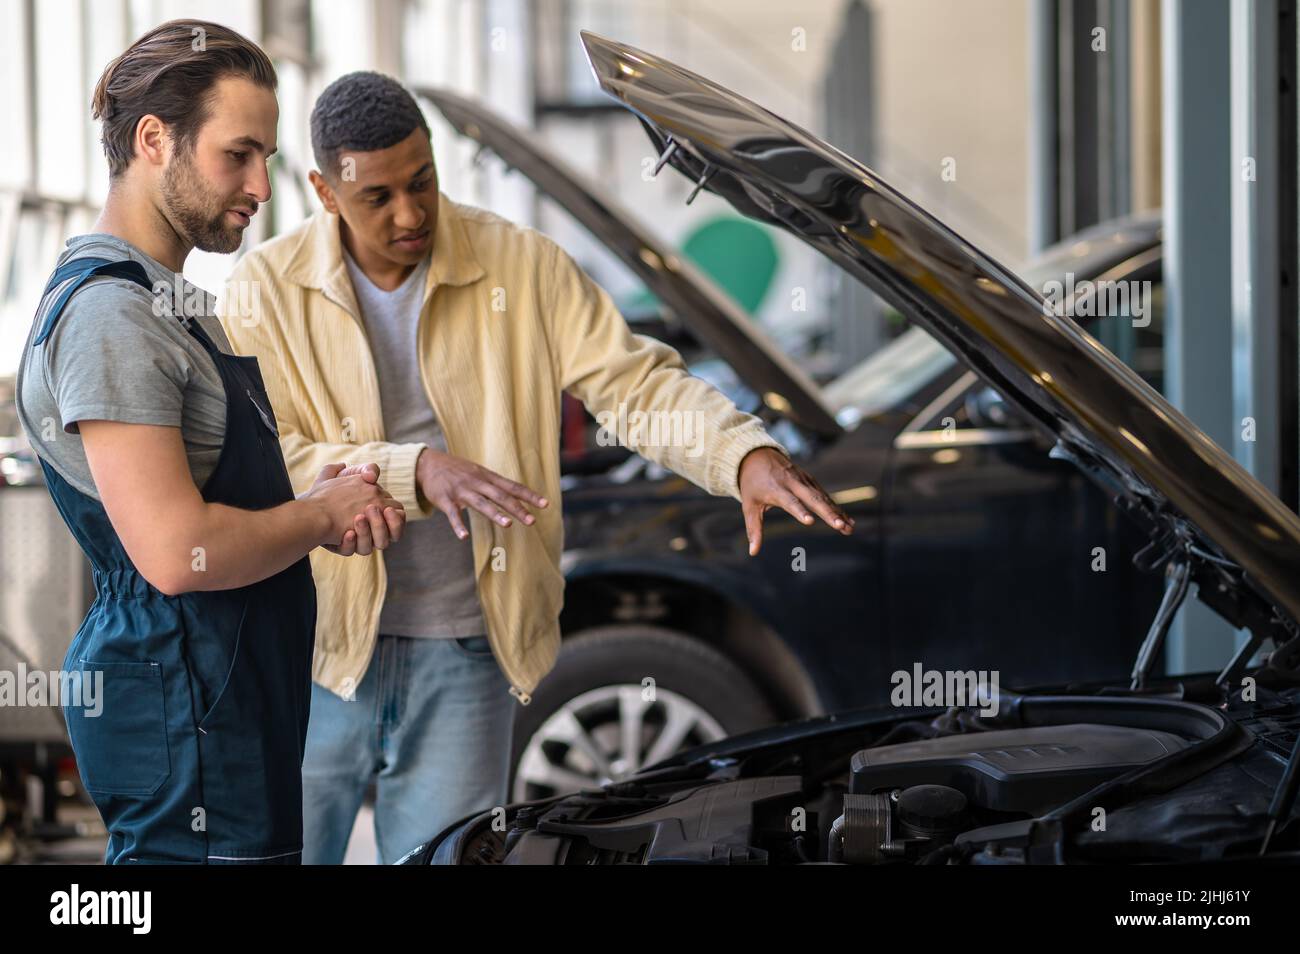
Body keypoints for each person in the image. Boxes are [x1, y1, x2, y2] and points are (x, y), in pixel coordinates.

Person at [220, 71, 852, 864]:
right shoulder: (263, 291)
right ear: (324, 190)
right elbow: (258, 456)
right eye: (378, 198)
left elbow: (633, 383)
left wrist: (740, 453)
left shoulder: (522, 266)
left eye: (423, 183)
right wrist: (411, 470)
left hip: (468, 650)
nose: (411, 215)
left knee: (444, 860)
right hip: (314, 646)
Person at [15, 21, 406, 865]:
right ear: (155, 140)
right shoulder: (113, 316)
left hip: (220, 697)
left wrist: (315, 501)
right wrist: (317, 515)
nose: (262, 185)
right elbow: (175, 550)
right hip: (182, 705)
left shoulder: (172, 302)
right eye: (239, 154)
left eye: (265, 155)